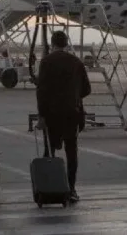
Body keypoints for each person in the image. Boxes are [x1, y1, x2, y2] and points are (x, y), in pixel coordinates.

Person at [35, 31, 90, 203]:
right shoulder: (76, 62)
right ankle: (71, 189)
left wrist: (42, 116)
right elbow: (87, 89)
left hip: (52, 114)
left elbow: (41, 92)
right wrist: (74, 96)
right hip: (72, 113)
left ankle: (50, 188)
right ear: (66, 43)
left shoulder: (46, 62)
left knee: (50, 152)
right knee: (71, 152)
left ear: (52, 44)